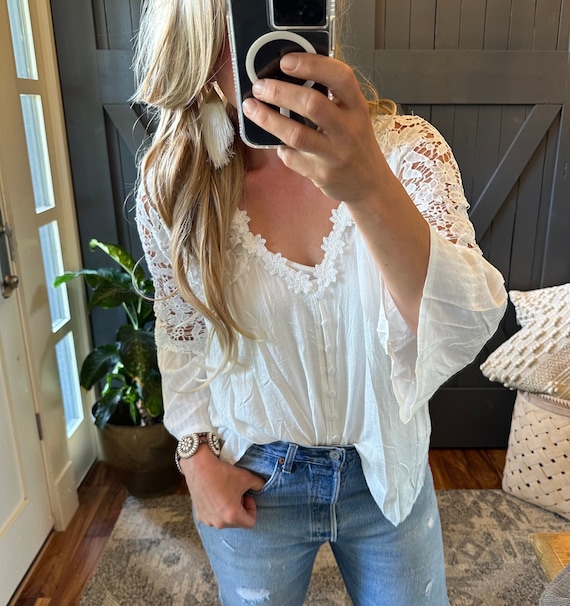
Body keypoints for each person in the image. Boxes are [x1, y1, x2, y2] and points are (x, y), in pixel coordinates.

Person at [133, 1, 507, 604]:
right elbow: (181, 335)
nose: (269, 49)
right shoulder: (175, 184)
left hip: (386, 468)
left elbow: (462, 326)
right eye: (244, 15)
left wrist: (367, 185)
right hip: (252, 474)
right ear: (196, 34)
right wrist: (194, 457)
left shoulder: (406, 154)